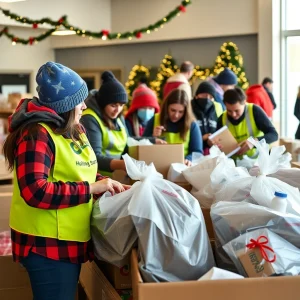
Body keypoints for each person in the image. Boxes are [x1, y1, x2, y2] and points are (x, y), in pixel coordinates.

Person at [2, 62, 128, 300]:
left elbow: (80, 171)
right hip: (46, 246)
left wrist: (107, 184)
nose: (84, 105)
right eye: (79, 100)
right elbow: (35, 191)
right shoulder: (36, 134)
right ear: (65, 105)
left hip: (68, 241)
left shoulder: (72, 127)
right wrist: (91, 188)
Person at [81, 71, 128, 177]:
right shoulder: (90, 118)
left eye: (121, 105)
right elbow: (93, 157)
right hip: (96, 178)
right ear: (103, 103)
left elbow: (128, 142)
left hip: (114, 177)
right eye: (113, 105)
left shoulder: (118, 118)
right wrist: (121, 165)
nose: (118, 110)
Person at [143, 89, 203, 166]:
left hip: (182, 167)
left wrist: (188, 159)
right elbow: (141, 145)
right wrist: (152, 138)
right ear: (166, 107)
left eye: (181, 112)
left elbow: (197, 152)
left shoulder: (192, 125)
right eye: (173, 110)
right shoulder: (155, 119)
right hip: (157, 166)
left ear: (186, 111)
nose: (176, 115)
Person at [217, 87, 278, 158]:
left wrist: (254, 142)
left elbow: (274, 135)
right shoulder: (222, 118)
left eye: (237, 111)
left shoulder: (255, 111)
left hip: (258, 162)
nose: (233, 114)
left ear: (244, 103)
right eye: (229, 111)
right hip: (234, 165)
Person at [191, 81, 223, 155]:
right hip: (193, 153)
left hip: (212, 152)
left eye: (211, 97)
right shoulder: (189, 108)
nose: (207, 99)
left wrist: (214, 139)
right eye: (204, 95)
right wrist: (202, 138)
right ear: (196, 96)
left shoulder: (217, 108)